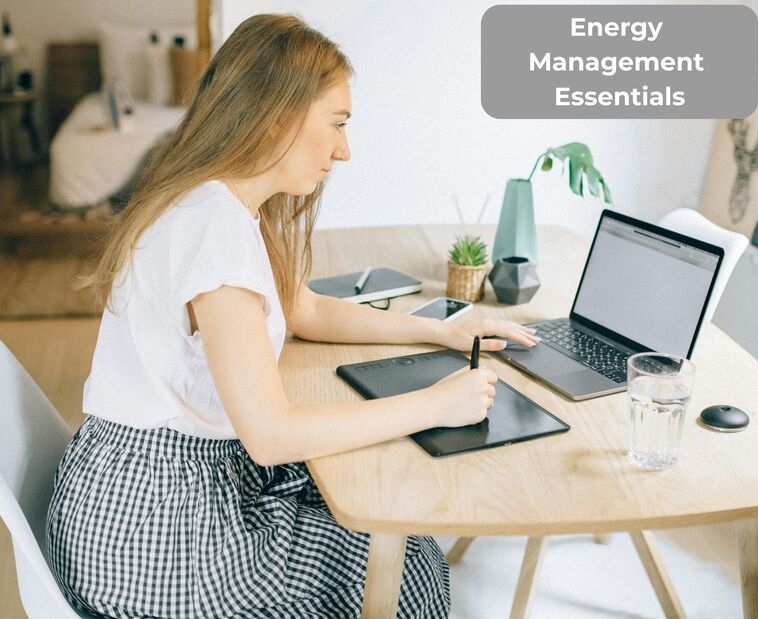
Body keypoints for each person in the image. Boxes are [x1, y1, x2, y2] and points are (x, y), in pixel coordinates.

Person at [46, 13, 540, 619]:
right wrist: (436, 405)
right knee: (401, 560)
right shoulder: (213, 232)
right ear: (276, 116)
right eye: (336, 124)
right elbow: (272, 434)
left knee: (371, 512)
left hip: (132, 489)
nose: (345, 149)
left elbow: (302, 309)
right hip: (150, 529)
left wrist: (441, 329)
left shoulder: (215, 201)